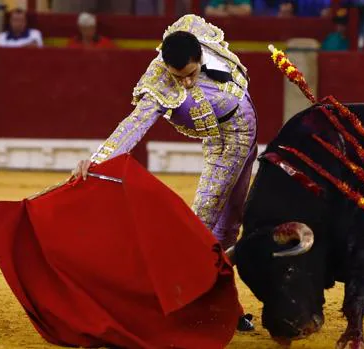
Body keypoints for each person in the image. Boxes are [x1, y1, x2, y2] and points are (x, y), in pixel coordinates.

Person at [70, 14, 257, 331]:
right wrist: (98, 160)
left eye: (190, 74)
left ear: (199, 55)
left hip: (248, 134)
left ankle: (225, 306)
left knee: (231, 222)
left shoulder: (195, 32)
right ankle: (197, 303)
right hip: (223, 142)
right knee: (204, 222)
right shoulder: (158, 81)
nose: (184, 82)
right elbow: (134, 124)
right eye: (177, 76)